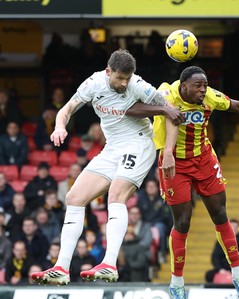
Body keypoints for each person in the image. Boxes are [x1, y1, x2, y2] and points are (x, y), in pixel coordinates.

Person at [130, 65, 239, 299]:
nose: (203, 89)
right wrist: (162, 109)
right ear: (183, 85)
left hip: (205, 160)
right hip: (174, 163)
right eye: (198, 85)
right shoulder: (164, 94)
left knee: (220, 215)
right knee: (183, 222)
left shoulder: (210, 98)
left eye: (205, 84)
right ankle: (177, 283)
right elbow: (132, 109)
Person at [30, 49, 184, 286]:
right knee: (74, 197)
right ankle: (61, 266)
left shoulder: (139, 86)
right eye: (119, 78)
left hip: (139, 143)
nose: (124, 83)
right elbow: (66, 110)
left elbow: (172, 113)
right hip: (112, 148)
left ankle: (109, 264)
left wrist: (169, 152)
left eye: (127, 79)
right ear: (108, 71)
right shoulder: (93, 83)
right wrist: (60, 126)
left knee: (115, 195)